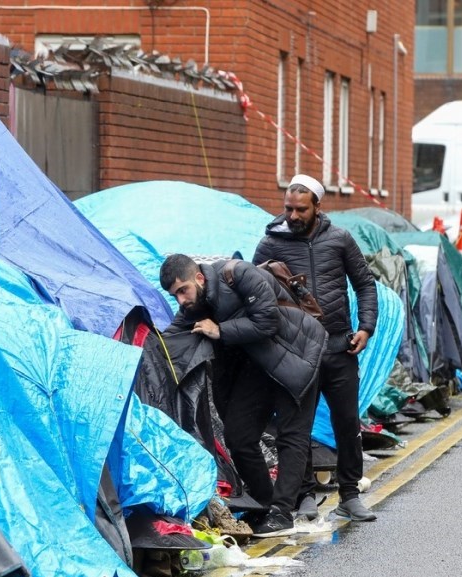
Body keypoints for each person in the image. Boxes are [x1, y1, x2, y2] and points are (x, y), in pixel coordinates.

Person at [159, 254, 326, 537]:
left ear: (198, 278)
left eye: (182, 290)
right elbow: (172, 335)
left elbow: (267, 321)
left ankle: (282, 514)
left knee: (292, 436)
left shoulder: (241, 274)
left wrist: (219, 330)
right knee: (239, 435)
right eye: (174, 295)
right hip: (259, 366)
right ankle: (265, 503)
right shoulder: (195, 303)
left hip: (297, 357)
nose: (180, 300)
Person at [254, 174, 379, 522]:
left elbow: (365, 284)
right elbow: (253, 291)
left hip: (341, 348)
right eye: (288, 209)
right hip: (295, 354)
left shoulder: (340, 239)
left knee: (347, 422)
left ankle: (350, 495)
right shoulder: (270, 243)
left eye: (300, 209)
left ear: (317, 207)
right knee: (296, 428)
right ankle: (304, 495)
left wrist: (366, 327)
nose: (292, 216)